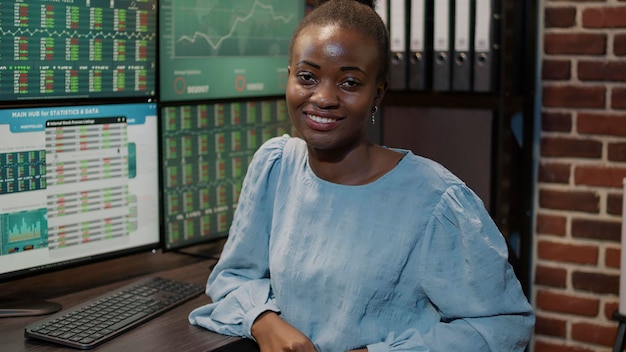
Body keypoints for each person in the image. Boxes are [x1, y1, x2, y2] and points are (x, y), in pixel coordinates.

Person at [189, 0, 535, 351]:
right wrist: (265, 323)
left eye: (350, 82)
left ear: (377, 94)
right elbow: (233, 276)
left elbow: (501, 326)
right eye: (307, 77)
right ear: (289, 77)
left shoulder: (436, 200)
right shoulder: (275, 167)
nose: (323, 98)